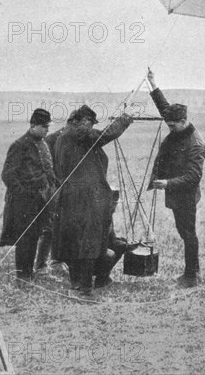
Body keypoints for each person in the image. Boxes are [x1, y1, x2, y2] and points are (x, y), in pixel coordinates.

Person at [52, 105, 133, 296]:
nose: (90, 126)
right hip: (86, 199)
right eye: (89, 122)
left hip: (71, 197)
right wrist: (124, 120)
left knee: (75, 240)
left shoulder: (65, 137)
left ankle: (77, 282)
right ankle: (87, 287)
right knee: (89, 241)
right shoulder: (78, 134)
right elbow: (106, 134)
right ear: (80, 121)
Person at [146, 68, 205, 288]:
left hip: (186, 195)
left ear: (183, 121)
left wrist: (167, 183)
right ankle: (195, 271)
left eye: (172, 125)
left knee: (188, 233)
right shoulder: (176, 124)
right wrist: (153, 84)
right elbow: (164, 107)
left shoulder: (196, 144)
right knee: (184, 232)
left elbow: (193, 177)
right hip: (175, 193)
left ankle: (191, 276)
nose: (169, 128)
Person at [0, 108, 58, 284]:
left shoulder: (43, 144)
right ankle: (22, 277)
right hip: (23, 203)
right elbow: (8, 175)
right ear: (33, 125)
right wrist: (24, 194)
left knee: (34, 236)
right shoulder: (19, 145)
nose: (47, 130)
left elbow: (48, 171)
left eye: (48, 126)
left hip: (41, 200)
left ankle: (29, 273)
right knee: (25, 239)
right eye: (44, 127)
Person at [33, 110, 77, 275]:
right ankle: (41, 265)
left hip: (69, 188)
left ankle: (58, 260)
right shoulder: (52, 140)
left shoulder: (76, 140)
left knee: (65, 225)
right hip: (54, 188)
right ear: (72, 123)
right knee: (49, 227)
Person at [92, 189, 128, 289]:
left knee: (121, 245)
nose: (115, 206)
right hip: (85, 255)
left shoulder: (108, 214)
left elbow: (112, 239)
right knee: (109, 255)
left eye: (116, 203)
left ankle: (104, 277)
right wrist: (104, 250)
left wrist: (126, 245)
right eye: (113, 203)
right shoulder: (94, 216)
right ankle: (99, 282)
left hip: (97, 250)